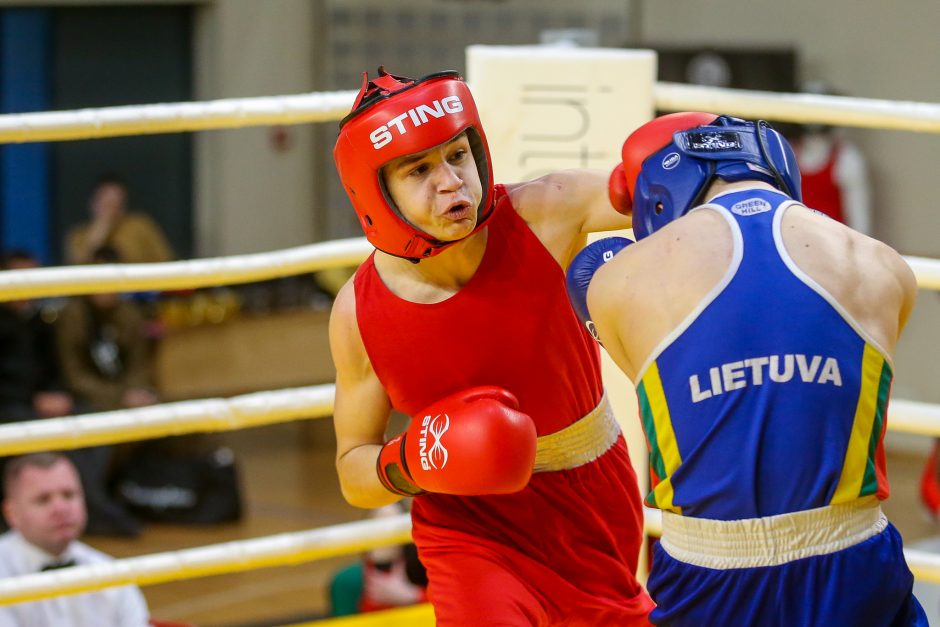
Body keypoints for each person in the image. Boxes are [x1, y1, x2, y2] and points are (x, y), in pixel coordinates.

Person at [565, 112, 926, 625]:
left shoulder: (619, 283)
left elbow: (666, 398)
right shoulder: (883, 264)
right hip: (855, 559)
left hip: (711, 570)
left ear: (656, 194)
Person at [329, 67, 653, 625]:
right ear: (376, 193)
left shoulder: (545, 212)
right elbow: (352, 471)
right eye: (419, 169)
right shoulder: (359, 312)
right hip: (467, 528)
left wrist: (709, 159)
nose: (451, 181)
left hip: (590, 498)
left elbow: (662, 193)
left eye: (458, 156)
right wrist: (414, 461)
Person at [0, 452, 150, 626]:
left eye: (69, 494)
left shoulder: (111, 573)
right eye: (43, 499)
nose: (61, 508)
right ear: (12, 513)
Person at [791, 81, 873, 234]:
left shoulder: (847, 159)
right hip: (796, 245)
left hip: (833, 248)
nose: (812, 117)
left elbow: (860, 224)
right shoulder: (787, 154)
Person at [65, 174, 174, 266]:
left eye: (117, 203)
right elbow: (76, 270)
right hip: (94, 288)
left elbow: (165, 260)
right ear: (93, 204)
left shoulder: (139, 225)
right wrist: (98, 234)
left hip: (137, 287)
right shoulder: (78, 235)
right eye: (106, 203)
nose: (112, 208)